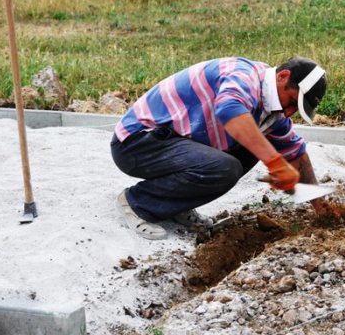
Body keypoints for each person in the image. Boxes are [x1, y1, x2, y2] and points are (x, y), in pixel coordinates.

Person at [111, 56, 327, 239]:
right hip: (138, 142)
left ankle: (176, 206)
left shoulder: (272, 111)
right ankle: (138, 203)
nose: (289, 112)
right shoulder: (244, 77)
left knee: (252, 146)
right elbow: (229, 108)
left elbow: (294, 152)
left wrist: (321, 208)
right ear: (283, 77)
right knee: (225, 167)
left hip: (173, 142)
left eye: (295, 109)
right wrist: (274, 161)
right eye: (291, 101)